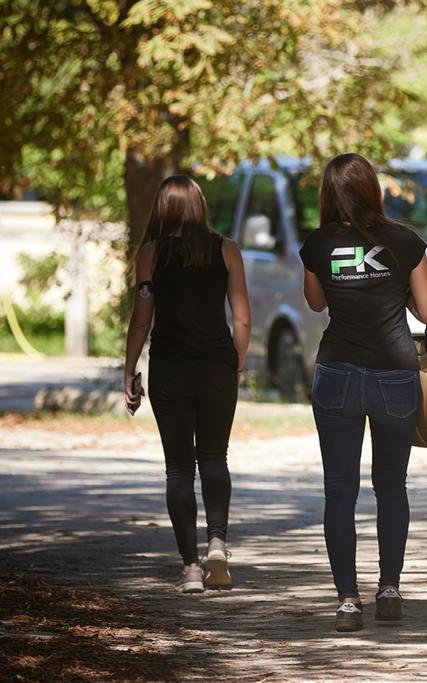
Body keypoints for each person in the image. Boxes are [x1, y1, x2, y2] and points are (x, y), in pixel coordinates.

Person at [300, 153, 427, 632]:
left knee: (339, 490)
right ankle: (389, 590)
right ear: (372, 190)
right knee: (390, 486)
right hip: (394, 375)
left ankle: (346, 600)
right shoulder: (403, 241)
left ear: (328, 194)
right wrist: (397, 285)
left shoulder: (319, 244)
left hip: (337, 372)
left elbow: (317, 302)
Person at [123, 175, 251, 593]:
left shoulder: (152, 254)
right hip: (217, 365)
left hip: (170, 368)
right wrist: (236, 362)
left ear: (163, 209)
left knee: (178, 467)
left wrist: (129, 369)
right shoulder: (226, 249)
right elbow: (243, 318)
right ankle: (217, 542)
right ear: (199, 206)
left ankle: (192, 568)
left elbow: (142, 317)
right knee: (215, 457)